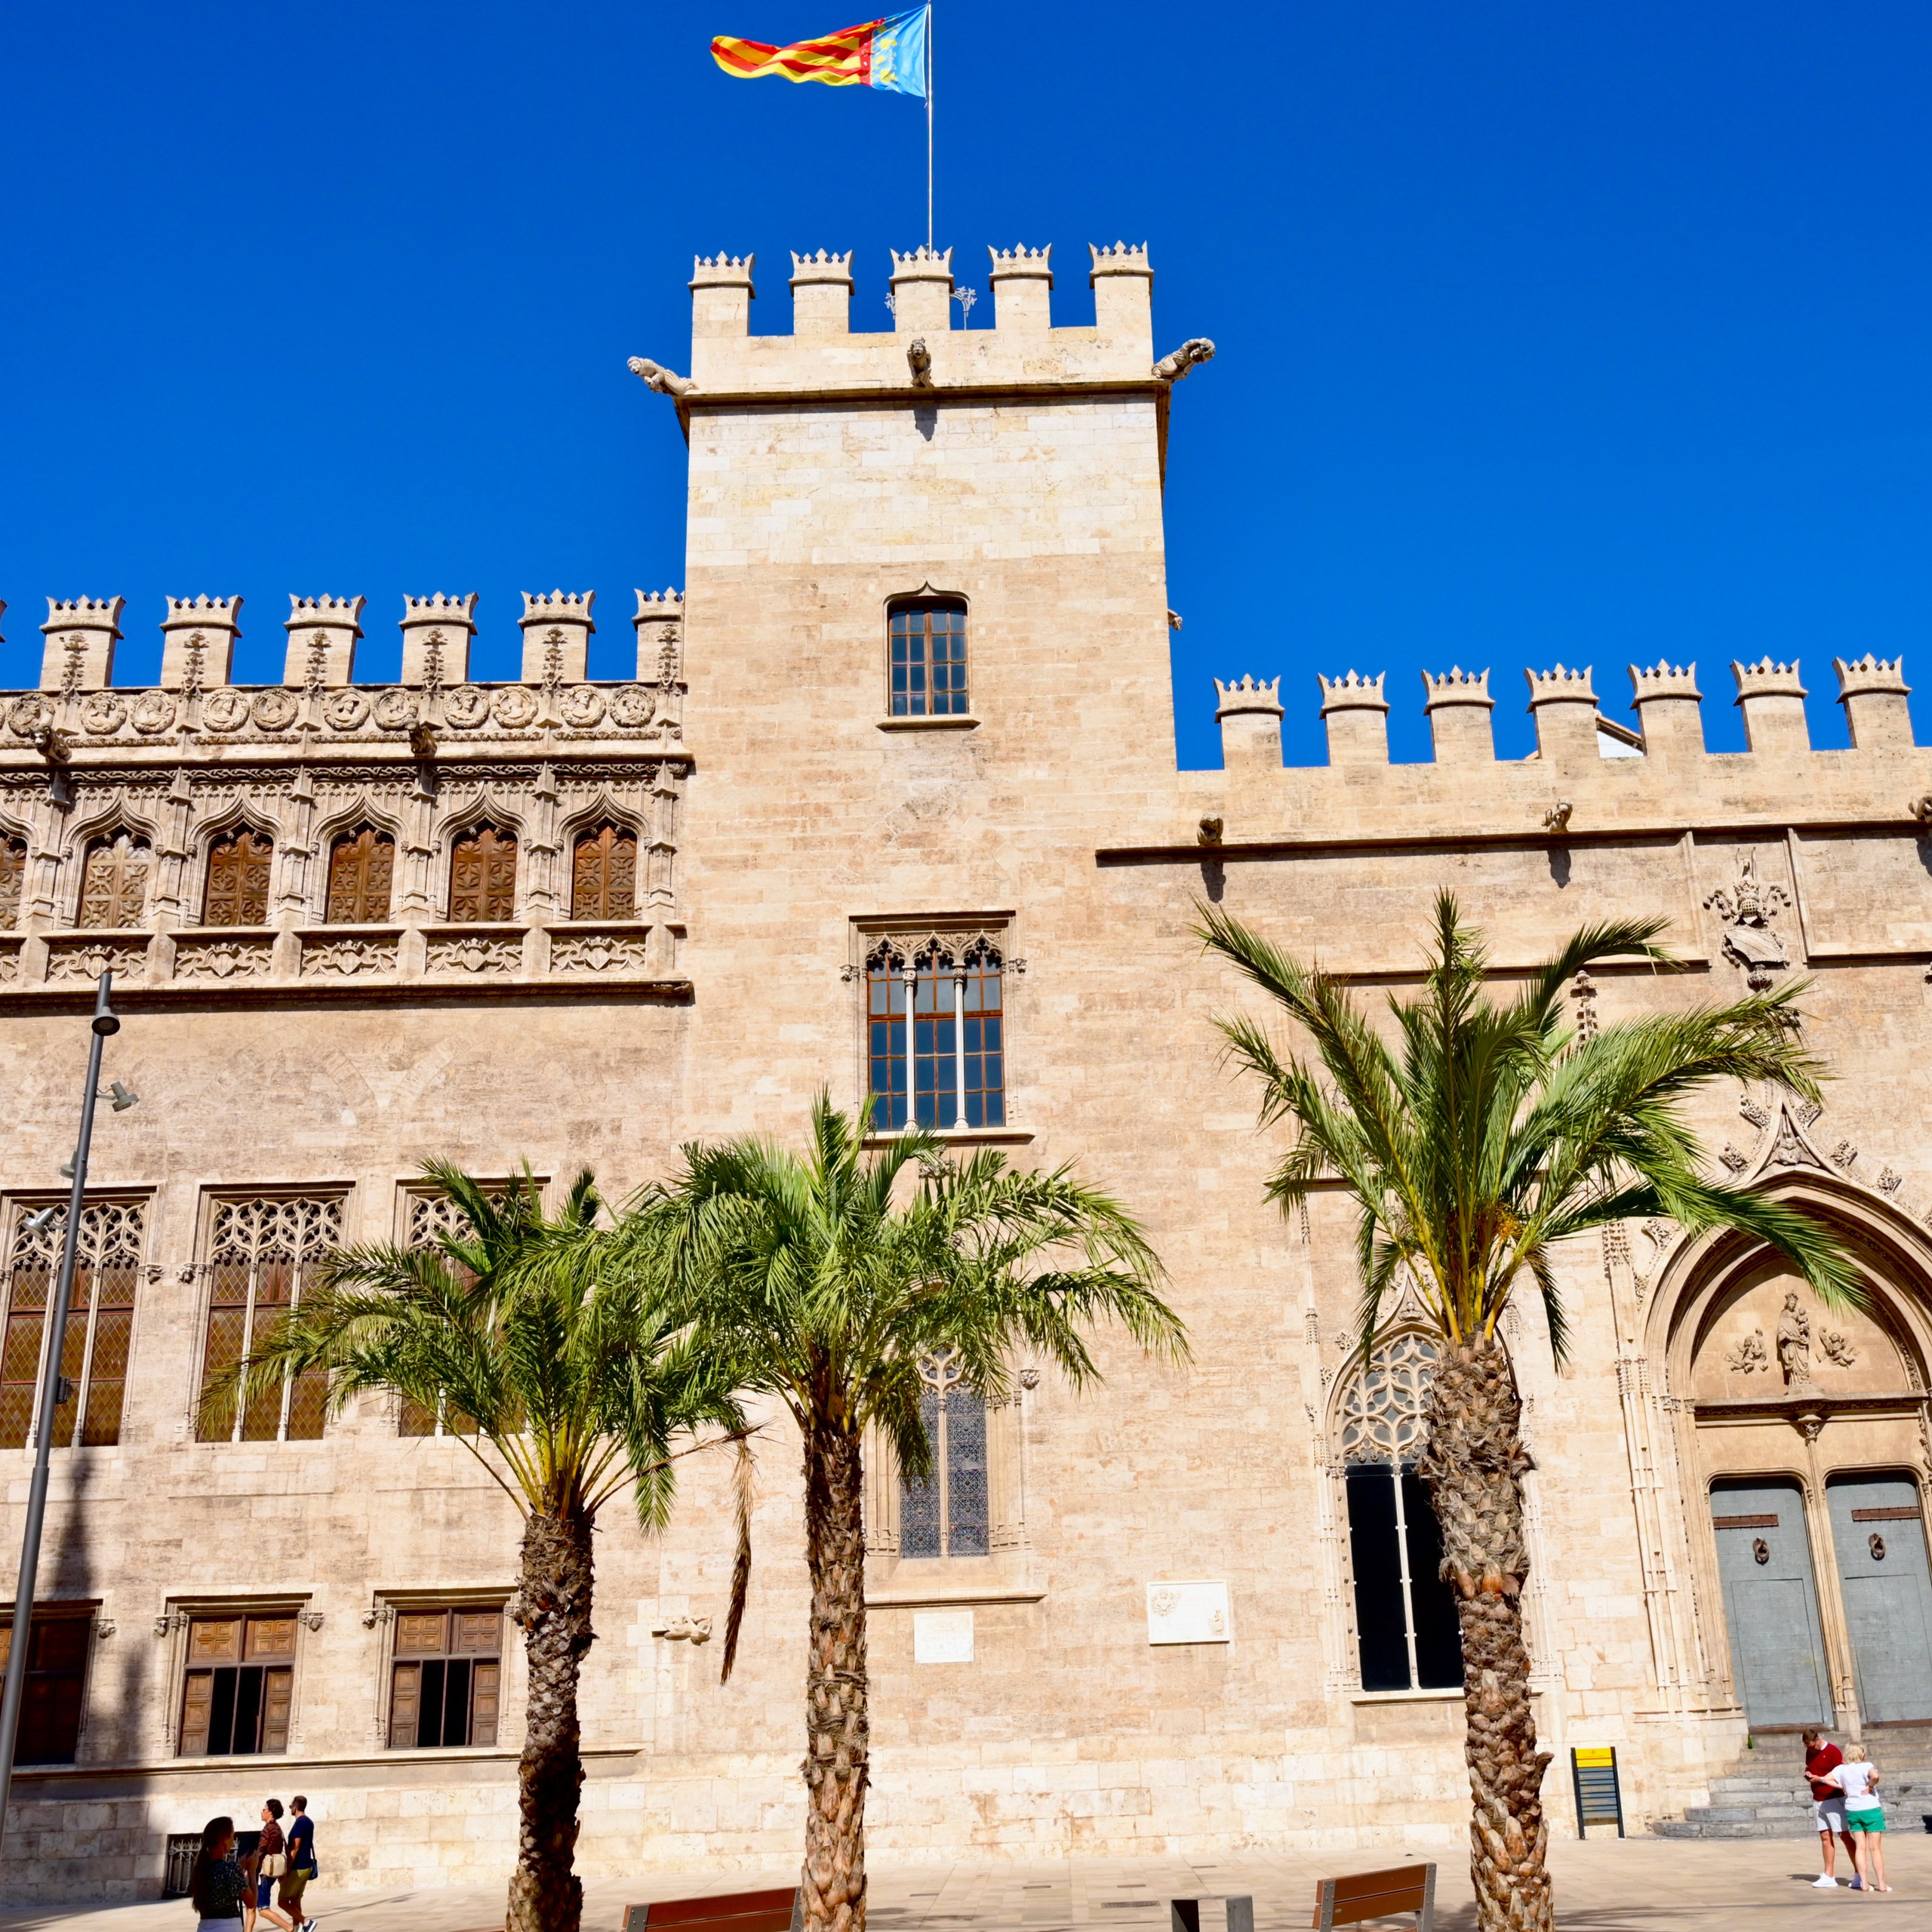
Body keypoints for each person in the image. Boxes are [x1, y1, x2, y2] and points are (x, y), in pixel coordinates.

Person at [1830, 1746, 1891, 1894]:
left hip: (1853, 1809)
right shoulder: (1866, 1766)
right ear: (1861, 1753)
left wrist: (1842, 1786)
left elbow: (1826, 1779)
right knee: (1875, 1848)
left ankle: (1864, 1883)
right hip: (1870, 1808)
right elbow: (1875, 1776)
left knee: (1860, 1847)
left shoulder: (1841, 1769)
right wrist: (1870, 1787)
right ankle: (1881, 1884)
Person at [1802, 1727, 1857, 1887]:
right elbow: (1809, 1766)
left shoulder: (1832, 1752)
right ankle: (1829, 1875)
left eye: (1812, 1746)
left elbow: (1841, 1776)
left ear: (1818, 1739)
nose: (1810, 1749)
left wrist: (1820, 1779)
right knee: (1825, 1836)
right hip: (1818, 1799)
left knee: (1844, 1835)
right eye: (1807, 1747)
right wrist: (1808, 1774)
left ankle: (1859, 1872)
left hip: (1834, 1798)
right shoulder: (1810, 1752)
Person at [187, 1816, 248, 1932]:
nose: (233, 1840)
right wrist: (251, 1870)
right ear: (225, 1838)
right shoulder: (229, 1869)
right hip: (228, 1926)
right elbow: (251, 1901)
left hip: (204, 1926)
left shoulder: (200, 1870)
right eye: (232, 1836)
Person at [245, 1798, 290, 1932]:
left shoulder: (268, 1829)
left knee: (263, 1909)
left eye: (264, 1809)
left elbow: (261, 1850)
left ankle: (292, 1929)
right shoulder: (277, 1828)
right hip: (273, 1871)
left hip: (265, 1872)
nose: (262, 1811)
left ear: (270, 1812)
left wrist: (249, 1868)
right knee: (251, 1906)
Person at [281, 1795, 318, 1932]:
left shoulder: (300, 1823)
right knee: (296, 1901)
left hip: (298, 1867)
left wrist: (287, 1869)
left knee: (282, 1901)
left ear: (295, 1808)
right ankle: (298, 1929)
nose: (291, 1808)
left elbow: (296, 1847)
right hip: (307, 1866)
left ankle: (306, 1922)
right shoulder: (309, 1822)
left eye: (291, 1806)